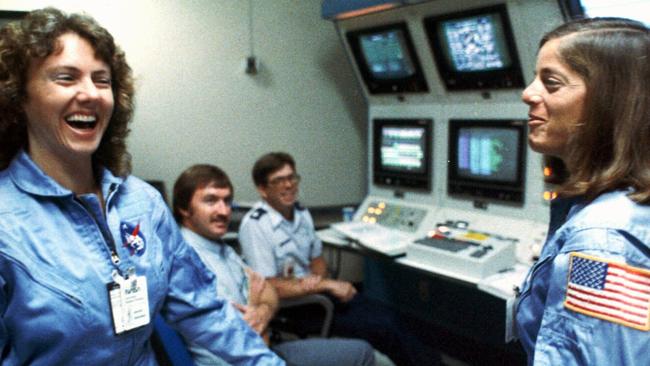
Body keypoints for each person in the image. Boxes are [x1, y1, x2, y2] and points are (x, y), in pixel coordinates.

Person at [0, 8, 282, 365]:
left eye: (102, 81)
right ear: (19, 98)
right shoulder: (6, 222)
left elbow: (204, 312)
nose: (90, 93)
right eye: (66, 78)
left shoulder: (143, 203)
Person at [516, 17, 650, 365]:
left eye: (551, 83)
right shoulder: (619, 207)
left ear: (608, 101)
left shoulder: (601, 241)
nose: (528, 93)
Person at [239, 152, 442, 366]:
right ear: (263, 189)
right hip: (296, 307)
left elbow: (317, 260)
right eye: (279, 181)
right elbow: (267, 287)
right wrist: (322, 285)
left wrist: (318, 281)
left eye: (292, 178)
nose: (288, 185)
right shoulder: (255, 226)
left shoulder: (300, 213)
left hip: (318, 293)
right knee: (385, 328)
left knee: (392, 316)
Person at [173, 164, 376, 366]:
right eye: (211, 201)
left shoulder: (220, 247)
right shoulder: (190, 263)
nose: (224, 211)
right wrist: (257, 305)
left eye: (227, 201)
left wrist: (262, 311)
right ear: (184, 208)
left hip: (264, 350)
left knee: (362, 351)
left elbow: (267, 289)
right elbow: (249, 339)